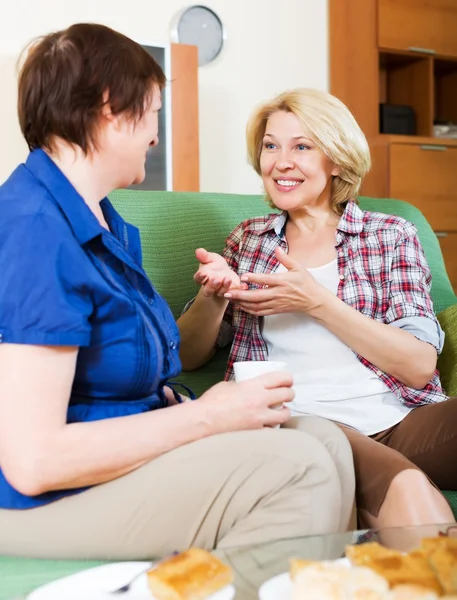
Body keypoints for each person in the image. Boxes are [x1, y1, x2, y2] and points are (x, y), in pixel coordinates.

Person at [0, 26, 355, 560]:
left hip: (117, 450)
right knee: (300, 468)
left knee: (326, 440)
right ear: (109, 110)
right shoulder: (35, 229)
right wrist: (205, 417)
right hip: (38, 499)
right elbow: (33, 461)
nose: (155, 136)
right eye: (151, 114)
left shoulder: (101, 223)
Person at [178, 88, 457, 530]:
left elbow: (419, 365)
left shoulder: (390, 235)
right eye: (271, 146)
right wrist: (214, 295)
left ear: (338, 161)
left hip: (401, 415)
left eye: (302, 146)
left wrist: (318, 303)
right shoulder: (248, 241)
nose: (280, 162)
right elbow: (188, 356)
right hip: (307, 421)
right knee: (408, 490)